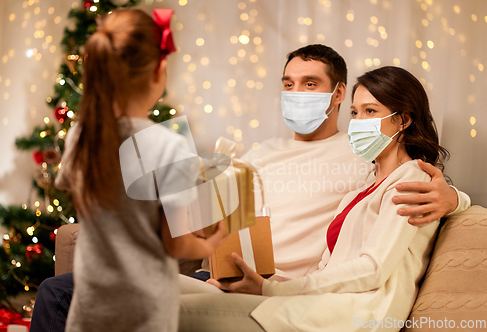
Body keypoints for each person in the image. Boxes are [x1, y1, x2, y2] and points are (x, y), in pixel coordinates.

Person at [30, 44, 469, 330]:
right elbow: (202, 219)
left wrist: (453, 198)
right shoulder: (259, 152)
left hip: (286, 287)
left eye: (310, 84)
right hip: (223, 274)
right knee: (64, 289)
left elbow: (411, 187)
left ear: (337, 95)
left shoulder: (362, 155)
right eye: (288, 85)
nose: (296, 94)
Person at [178, 66, 454, 332]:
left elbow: (372, 270)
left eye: (371, 111)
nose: (359, 122)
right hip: (308, 300)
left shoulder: (413, 181)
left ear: (403, 119)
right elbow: (325, 270)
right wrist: (260, 283)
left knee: (170, 309)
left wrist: (454, 198)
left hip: (352, 314)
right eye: (355, 113)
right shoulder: (360, 191)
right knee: (156, 288)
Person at [29, 9, 226, 332]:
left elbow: (77, 191)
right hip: (143, 308)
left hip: (90, 301)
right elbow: (176, 244)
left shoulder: (81, 135)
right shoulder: (168, 145)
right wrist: (208, 244)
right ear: (158, 71)